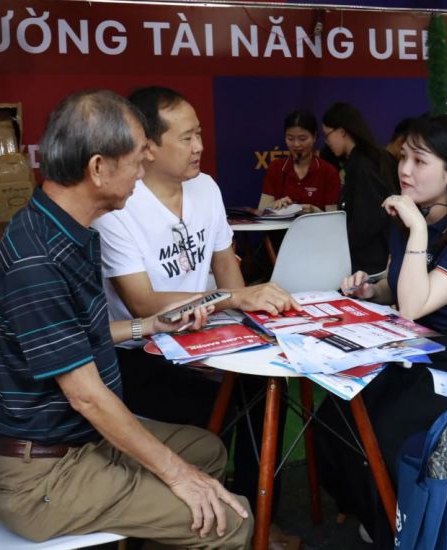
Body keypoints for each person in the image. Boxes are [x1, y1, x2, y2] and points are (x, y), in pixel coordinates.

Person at [0, 89, 253, 548]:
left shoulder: (68, 226)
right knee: (232, 520)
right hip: (43, 476)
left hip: (80, 441)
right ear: (97, 168)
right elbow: (86, 396)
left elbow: (81, 336)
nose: (142, 170)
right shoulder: (39, 257)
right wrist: (177, 475)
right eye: (136, 159)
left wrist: (146, 327)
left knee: (208, 451)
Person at [91, 87, 300, 530]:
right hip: (140, 353)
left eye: (200, 134)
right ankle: (207, 518)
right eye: (186, 138)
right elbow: (142, 302)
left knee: (267, 393)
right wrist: (234, 299)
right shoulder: (119, 205)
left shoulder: (205, 187)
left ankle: (259, 517)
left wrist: (249, 321)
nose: (200, 147)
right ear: (146, 147)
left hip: (207, 340)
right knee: (218, 406)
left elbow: (226, 264)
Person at [316, 114, 447, 547]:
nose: (404, 169)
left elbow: (417, 304)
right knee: (337, 413)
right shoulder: (411, 216)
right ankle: (370, 507)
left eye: (420, 161)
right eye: (404, 156)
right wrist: (372, 288)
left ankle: (398, 529)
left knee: (384, 428)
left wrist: (416, 228)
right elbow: (401, 288)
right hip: (412, 349)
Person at [322, 102, 398, 275]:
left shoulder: (361, 165)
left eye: (327, 135)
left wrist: (341, 246)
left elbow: (367, 220)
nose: (327, 142)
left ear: (341, 131)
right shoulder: (370, 158)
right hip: (377, 254)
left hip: (368, 263)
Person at [258, 110, 341, 213]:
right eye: (290, 138)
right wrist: (274, 206)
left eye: (302, 139)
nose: (296, 144)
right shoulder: (276, 168)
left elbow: (333, 219)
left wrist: (314, 211)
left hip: (316, 228)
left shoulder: (328, 172)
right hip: (282, 229)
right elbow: (261, 211)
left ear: (314, 137)